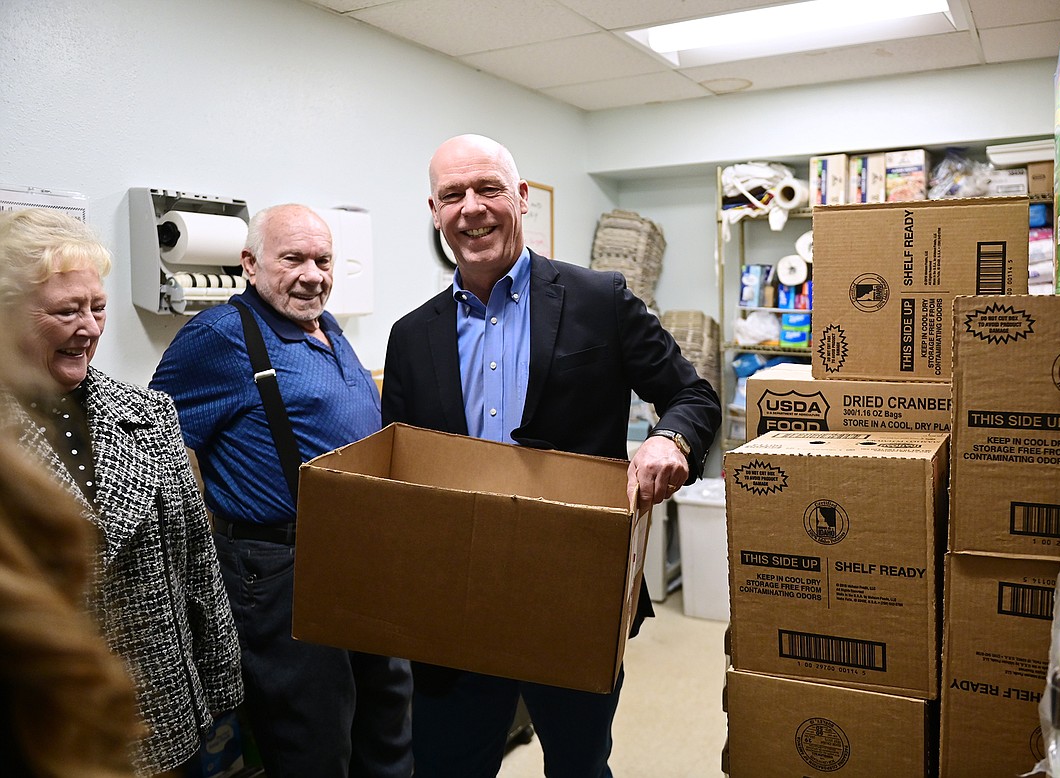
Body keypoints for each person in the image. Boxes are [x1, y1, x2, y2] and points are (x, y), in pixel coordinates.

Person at [381, 134, 721, 777]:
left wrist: (669, 438)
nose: (471, 208)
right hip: (456, 602)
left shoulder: (600, 300)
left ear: (522, 198)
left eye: (488, 189)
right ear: (434, 209)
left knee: (579, 765)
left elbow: (693, 395)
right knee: (448, 765)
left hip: (573, 590)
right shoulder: (412, 336)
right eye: (453, 194)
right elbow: (405, 471)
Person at [151, 203, 413, 778]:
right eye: (292, 258)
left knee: (387, 721)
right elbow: (152, 440)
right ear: (249, 264)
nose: (312, 274)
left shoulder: (329, 326)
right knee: (313, 741)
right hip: (280, 566)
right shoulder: (220, 336)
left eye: (322, 260)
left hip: (365, 556)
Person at [0, 208, 244, 777]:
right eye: (66, 311)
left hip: (157, 703)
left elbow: (196, 558)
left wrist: (222, 675)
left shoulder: (149, 413)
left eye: (98, 306)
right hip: (42, 717)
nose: (89, 328)